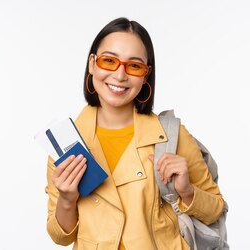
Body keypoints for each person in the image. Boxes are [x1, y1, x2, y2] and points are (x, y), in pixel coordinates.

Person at [44, 17, 226, 249]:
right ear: (92, 64)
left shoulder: (170, 136)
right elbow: (61, 236)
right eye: (109, 61)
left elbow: (216, 210)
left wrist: (187, 191)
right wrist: (67, 200)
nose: (120, 75)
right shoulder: (67, 142)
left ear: (145, 74)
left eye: (134, 65)